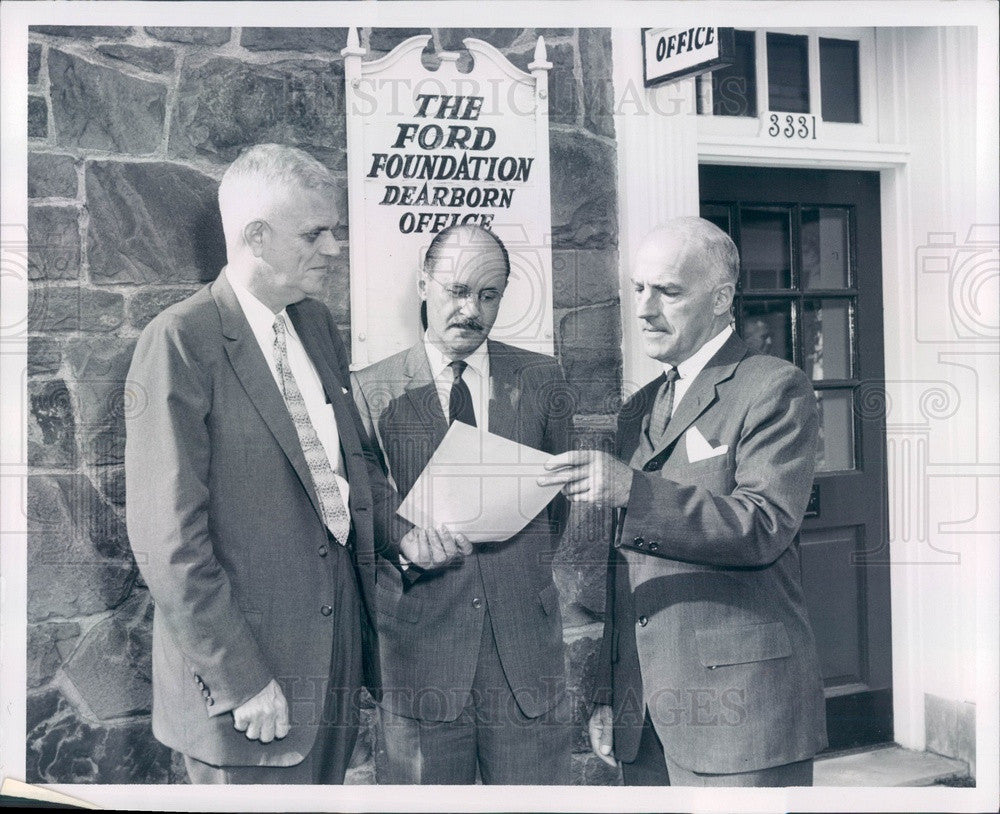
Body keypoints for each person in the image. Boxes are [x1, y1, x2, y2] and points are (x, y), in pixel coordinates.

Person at [124, 143, 467, 785]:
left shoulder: (312, 325)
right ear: (256, 236)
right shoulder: (180, 341)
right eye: (316, 233)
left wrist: (402, 536)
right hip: (249, 689)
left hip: (334, 658)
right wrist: (242, 679)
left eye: (334, 231)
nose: (334, 249)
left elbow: (349, 466)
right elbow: (168, 540)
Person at [539, 216, 827, 786]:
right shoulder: (642, 404)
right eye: (639, 290)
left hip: (742, 715)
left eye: (668, 292)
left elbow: (764, 525)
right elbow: (625, 567)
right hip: (642, 719)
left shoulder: (773, 386)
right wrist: (608, 693)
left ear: (722, 300)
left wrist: (633, 490)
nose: (645, 309)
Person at [351, 224, 573, 784]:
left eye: (488, 295)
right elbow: (362, 509)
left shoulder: (542, 380)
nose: (471, 309)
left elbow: (556, 509)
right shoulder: (370, 391)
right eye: (456, 290)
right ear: (424, 285)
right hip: (420, 657)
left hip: (524, 657)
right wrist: (405, 549)